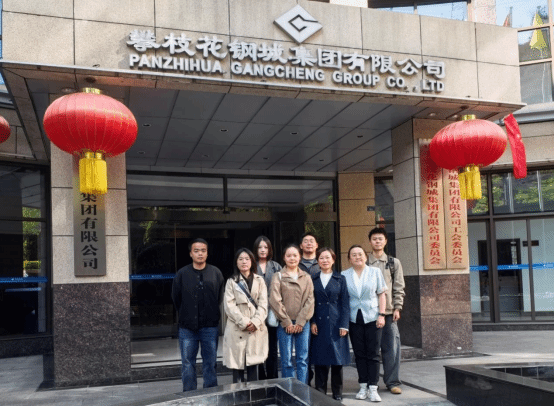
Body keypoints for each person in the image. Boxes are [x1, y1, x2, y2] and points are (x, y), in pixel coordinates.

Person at [171, 238, 224, 392]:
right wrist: (186, 314)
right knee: (188, 363)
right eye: (196, 251)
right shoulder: (182, 274)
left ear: (207, 253)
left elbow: (219, 297)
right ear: (190, 253)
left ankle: (210, 393)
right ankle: (189, 395)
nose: (200, 254)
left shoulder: (215, 273)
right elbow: (176, 298)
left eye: (203, 251)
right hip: (187, 327)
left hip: (210, 326)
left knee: (210, 362)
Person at [343, 245, 387, 402]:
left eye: (360, 254)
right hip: (354, 318)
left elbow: (381, 294)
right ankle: (363, 386)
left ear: (365, 256)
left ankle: (373, 388)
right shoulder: (344, 275)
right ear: (349, 259)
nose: (357, 257)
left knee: (373, 354)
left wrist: (382, 315)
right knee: (359, 353)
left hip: (373, 317)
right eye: (353, 255)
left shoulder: (375, 272)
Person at [269, 244, 315, 384]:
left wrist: (301, 321)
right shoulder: (278, 276)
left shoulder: (306, 277)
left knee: (302, 359)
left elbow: (310, 300)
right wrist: (286, 321)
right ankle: (289, 389)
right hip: (285, 324)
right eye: (288, 256)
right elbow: (275, 300)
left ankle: (302, 389)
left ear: (300, 257)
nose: (292, 258)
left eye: (295, 255)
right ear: (284, 258)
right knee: (286, 359)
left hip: (303, 324)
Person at [367, 227, 405, 395]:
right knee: (370, 349)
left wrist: (398, 307)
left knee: (392, 349)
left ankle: (392, 382)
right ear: (370, 242)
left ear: (385, 241)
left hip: (389, 312)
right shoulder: (364, 262)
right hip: (368, 313)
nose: (377, 241)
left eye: (380, 239)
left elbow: (399, 286)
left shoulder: (393, 262)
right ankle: (370, 382)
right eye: (374, 239)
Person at [223, 248, 268, 383]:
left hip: (255, 329)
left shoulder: (260, 281)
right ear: (236, 262)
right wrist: (244, 322)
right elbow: (229, 306)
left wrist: (255, 322)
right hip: (237, 329)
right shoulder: (231, 281)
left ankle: (254, 394)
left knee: (254, 367)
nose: (244, 262)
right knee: (237, 367)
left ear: (252, 261)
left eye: (247, 259)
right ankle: (238, 394)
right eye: (241, 259)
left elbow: (263, 304)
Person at [310, 247, 350, 401]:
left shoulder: (340, 279)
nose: (324, 260)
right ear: (317, 261)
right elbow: (310, 303)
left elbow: (345, 303)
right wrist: (313, 321)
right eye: (321, 258)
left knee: (337, 361)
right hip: (319, 324)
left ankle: (337, 393)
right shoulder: (313, 279)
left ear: (333, 260)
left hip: (336, 324)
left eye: (328, 257)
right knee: (320, 360)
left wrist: (344, 324)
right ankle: (320, 392)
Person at [253, 236, 282, 380]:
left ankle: (272, 377)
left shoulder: (276, 266)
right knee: (257, 346)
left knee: (272, 347)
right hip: (255, 312)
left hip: (272, 313)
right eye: (260, 247)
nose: (263, 250)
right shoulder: (251, 266)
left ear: (270, 249)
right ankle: (260, 377)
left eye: (266, 247)